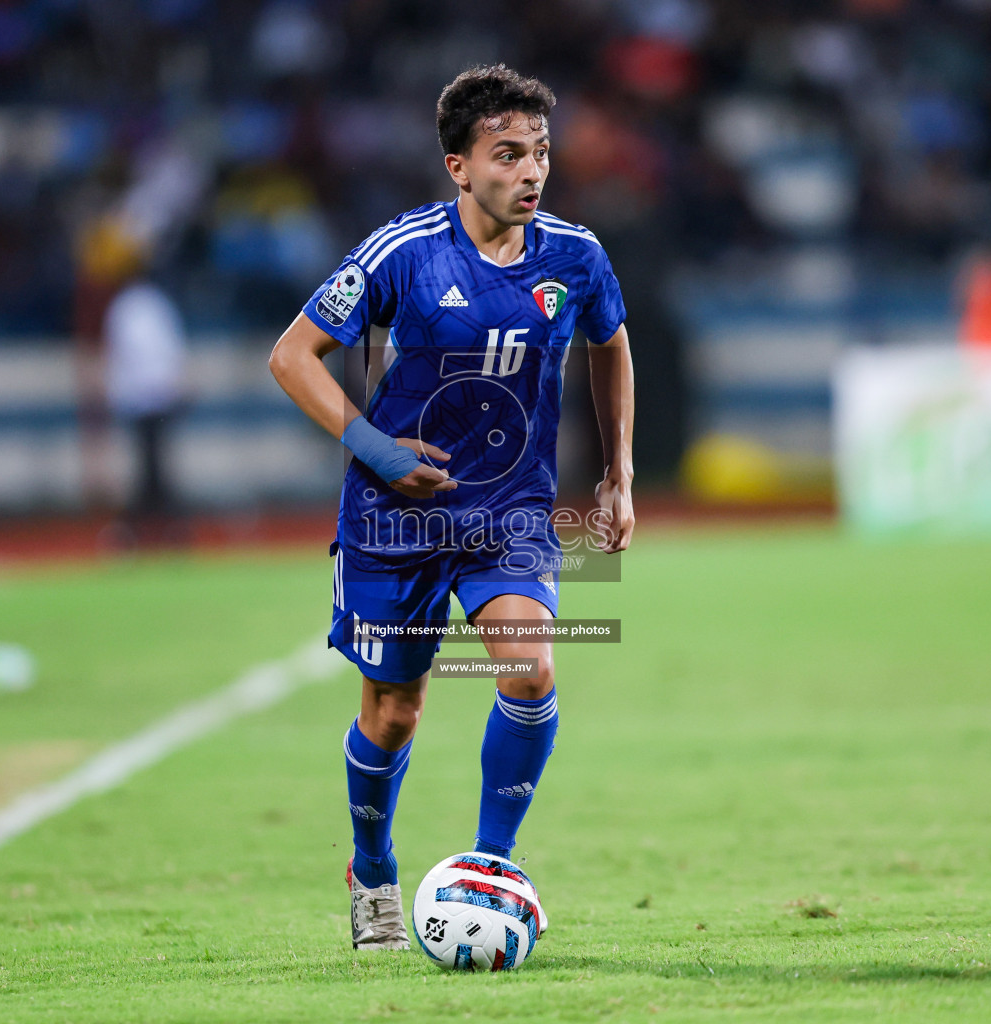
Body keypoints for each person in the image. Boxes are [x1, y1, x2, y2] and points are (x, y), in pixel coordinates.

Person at [268, 64, 636, 951]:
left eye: (540, 153)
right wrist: (380, 451)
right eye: (507, 155)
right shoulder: (405, 253)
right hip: (394, 518)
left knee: (530, 670)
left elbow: (612, 346)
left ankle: (489, 868)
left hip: (507, 512)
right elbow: (292, 357)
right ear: (458, 168)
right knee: (394, 713)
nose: (531, 171)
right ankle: (373, 868)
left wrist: (619, 470)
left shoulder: (576, 257)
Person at [102, 262, 188, 535]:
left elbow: (123, 356)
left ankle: (148, 525)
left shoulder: (125, 307)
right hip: (156, 397)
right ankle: (162, 524)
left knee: (152, 466)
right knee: (154, 466)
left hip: (143, 398)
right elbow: (169, 350)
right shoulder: (155, 304)